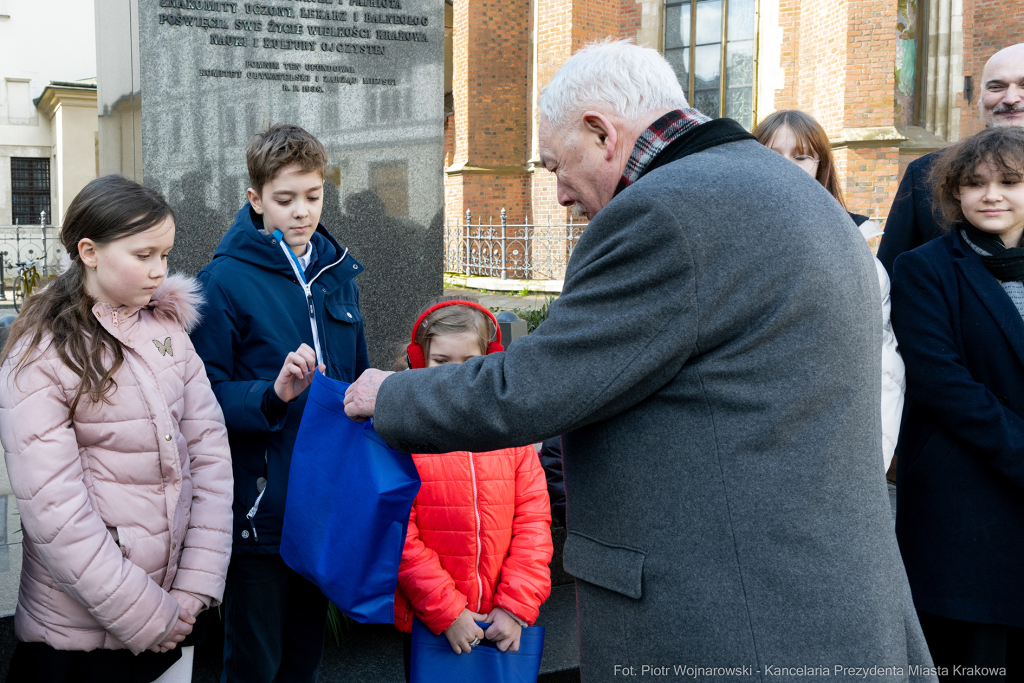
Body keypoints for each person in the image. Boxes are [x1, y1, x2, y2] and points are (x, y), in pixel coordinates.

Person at [344, 40, 935, 680]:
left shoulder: (664, 213)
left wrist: (391, 394)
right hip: (821, 603)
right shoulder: (791, 194)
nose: (562, 197)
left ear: (601, 132)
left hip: (728, 624)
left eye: (554, 168)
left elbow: (537, 384)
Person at [0, 175, 233, 683]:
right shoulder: (41, 354)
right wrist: (149, 616)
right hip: (79, 639)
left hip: (175, 614)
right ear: (89, 251)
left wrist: (193, 590)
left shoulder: (167, 329)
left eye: (166, 255)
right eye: (143, 254)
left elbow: (210, 456)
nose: (159, 271)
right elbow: (55, 511)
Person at [190, 124, 369, 683]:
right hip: (260, 505)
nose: (301, 212)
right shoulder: (222, 281)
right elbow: (202, 400)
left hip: (322, 501)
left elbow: (356, 379)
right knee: (254, 665)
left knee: (302, 661)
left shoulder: (340, 275)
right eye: (284, 200)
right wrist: (271, 394)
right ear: (255, 200)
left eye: (312, 197)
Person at [890, 126, 1024, 680]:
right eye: (975, 183)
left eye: (1010, 181)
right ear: (954, 193)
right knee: (972, 661)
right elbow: (941, 380)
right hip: (964, 500)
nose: (991, 194)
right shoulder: (924, 267)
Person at [392, 298, 552, 681]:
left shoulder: (511, 436)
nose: (453, 377)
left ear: (489, 359)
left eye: (468, 363)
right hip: (434, 620)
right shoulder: (402, 434)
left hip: (503, 619)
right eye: (440, 362)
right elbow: (400, 535)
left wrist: (515, 607)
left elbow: (533, 524)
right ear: (418, 360)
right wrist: (448, 612)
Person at [754, 109, 906, 472]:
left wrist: (870, 460)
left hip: (828, 440)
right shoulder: (721, 239)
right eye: (772, 154)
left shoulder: (856, 252)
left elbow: (882, 362)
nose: (787, 166)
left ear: (820, 165)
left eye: (801, 156)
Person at [877, 42, 1024, 275]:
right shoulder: (925, 173)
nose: (1011, 98)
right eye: (996, 87)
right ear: (978, 99)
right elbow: (889, 273)